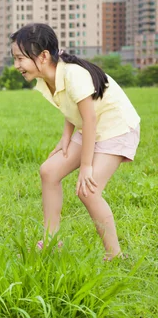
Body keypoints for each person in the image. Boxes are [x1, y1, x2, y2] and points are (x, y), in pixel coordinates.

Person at [10, 23, 141, 260]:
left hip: (115, 128)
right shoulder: (48, 78)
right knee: (49, 171)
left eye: (20, 58)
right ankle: (51, 241)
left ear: (43, 56)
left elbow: (89, 118)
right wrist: (66, 136)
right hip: (92, 126)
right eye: (15, 58)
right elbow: (73, 107)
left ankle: (115, 255)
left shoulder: (73, 74)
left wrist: (86, 165)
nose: (16, 65)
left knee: (88, 190)